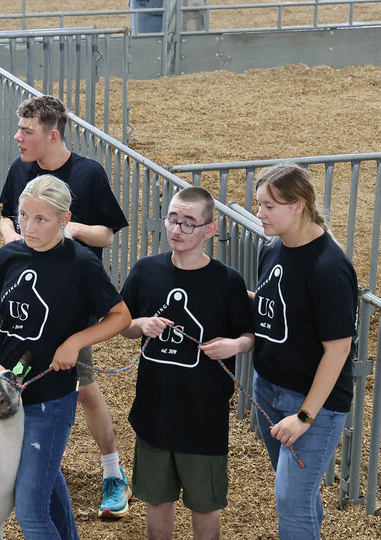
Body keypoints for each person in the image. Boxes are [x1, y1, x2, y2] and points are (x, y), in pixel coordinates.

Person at [0, 95, 131, 518]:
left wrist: (67, 228)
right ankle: (39, 463)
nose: (17, 137)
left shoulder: (88, 173)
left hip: (72, 298)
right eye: (19, 129)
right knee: (26, 373)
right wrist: (15, 242)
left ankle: (112, 471)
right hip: (25, 289)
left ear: (52, 135)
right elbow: (5, 215)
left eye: (26, 131)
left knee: (84, 385)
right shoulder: (21, 168)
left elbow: (107, 235)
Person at [0, 174, 131, 539]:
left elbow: (120, 316)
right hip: (9, 393)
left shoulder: (81, 264)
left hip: (50, 398)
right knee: (45, 482)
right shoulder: (8, 255)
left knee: (30, 512)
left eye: (41, 219)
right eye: (23, 217)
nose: (29, 227)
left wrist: (75, 342)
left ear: (65, 220)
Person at [120, 186, 254, 540]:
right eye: (172, 219)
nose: (177, 230)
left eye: (189, 223)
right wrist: (140, 325)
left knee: (204, 505)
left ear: (209, 230)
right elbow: (122, 326)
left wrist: (234, 345)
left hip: (203, 416)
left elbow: (249, 335)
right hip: (154, 410)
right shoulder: (145, 271)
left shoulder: (227, 282)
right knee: (157, 501)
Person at [252, 163, 357, 539]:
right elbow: (274, 307)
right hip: (268, 387)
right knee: (297, 494)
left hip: (313, 402)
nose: (258, 213)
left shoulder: (330, 269)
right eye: (258, 203)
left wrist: (304, 416)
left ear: (298, 206)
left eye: (268, 205)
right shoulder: (273, 248)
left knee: (292, 501)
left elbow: (338, 350)